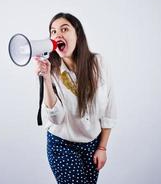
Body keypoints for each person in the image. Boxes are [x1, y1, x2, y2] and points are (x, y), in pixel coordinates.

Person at [35, 12, 117, 184]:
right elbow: (56, 118)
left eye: (64, 29)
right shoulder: (51, 70)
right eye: (53, 31)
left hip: (92, 144)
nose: (57, 35)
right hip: (62, 145)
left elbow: (110, 109)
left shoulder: (98, 63)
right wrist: (47, 78)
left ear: (77, 34)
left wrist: (102, 147)